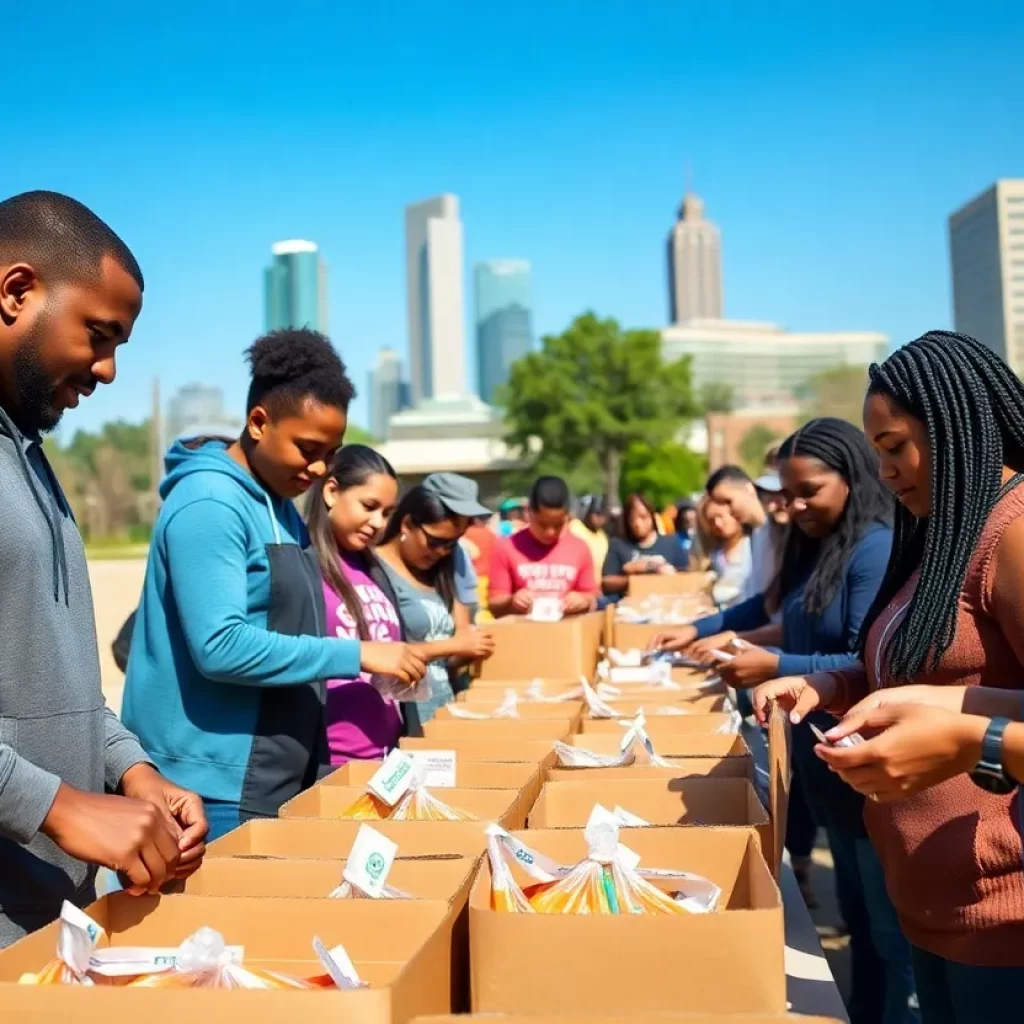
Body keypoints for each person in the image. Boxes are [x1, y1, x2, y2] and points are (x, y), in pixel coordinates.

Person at [754, 332, 1024, 1024]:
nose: (887, 469)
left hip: (1003, 921)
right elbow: (927, 664)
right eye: (877, 451)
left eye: (898, 446)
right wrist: (833, 685)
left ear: (961, 425)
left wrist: (975, 742)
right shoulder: (941, 531)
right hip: (933, 902)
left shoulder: (1013, 533)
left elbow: (965, 706)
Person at [655, 419, 916, 1024]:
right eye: (787, 492)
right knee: (858, 917)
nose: (795, 506)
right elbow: (768, 606)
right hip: (819, 764)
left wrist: (777, 664)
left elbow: (865, 658)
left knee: (887, 938)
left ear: (851, 480)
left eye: (810, 491)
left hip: (866, 766)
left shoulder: (872, 547)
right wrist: (699, 629)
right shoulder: (812, 544)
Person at [0, 191, 207, 947]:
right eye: (99, 334)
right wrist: (60, 807)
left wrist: (130, 771)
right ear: (16, 291)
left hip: (46, 915)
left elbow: (55, 683)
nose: (111, 369)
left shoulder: (31, 457)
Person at [122, 330, 425, 842]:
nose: (319, 468)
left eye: (330, 453)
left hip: (274, 775)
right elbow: (220, 646)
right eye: (307, 449)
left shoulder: (282, 506)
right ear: (259, 422)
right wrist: (358, 653)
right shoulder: (210, 501)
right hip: (209, 787)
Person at [305, 445, 410, 765]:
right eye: (369, 506)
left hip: (386, 757)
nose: (378, 522)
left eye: (387, 513)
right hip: (331, 761)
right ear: (332, 491)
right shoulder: (303, 565)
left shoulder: (372, 568)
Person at [376, 474, 497, 729]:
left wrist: (471, 649)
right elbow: (379, 656)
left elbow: (452, 655)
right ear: (407, 524)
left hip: (442, 712)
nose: (442, 552)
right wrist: (455, 645)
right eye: (436, 541)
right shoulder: (375, 571)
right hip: (403, 720)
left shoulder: (445, 569)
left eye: (452, 544)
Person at [489, 476, 600, 618]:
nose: (550, 532)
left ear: (567, 516)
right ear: (529, 512)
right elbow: (494, 604)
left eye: (558, 525)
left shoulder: (580, 548)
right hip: (522, 634)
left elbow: (594, 597)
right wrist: (512, 601)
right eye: (542, 524)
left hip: (566, 633)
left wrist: (584, 600)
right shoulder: (506, 547)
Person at [706, 465, 775, 601]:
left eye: (728, 501)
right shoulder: (757, 534)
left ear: (748, 489)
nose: (728, 511)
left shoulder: (780, 531)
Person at [602, 493, 689, 597]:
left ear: (652, 517)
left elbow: (686, 576)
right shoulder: (618, 545)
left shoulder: (671, 543)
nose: (637, 524)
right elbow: (606, 582)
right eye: (632, 519)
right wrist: (634, 580)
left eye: (643, 517)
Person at [703, 500, 753, 606]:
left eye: (721, 517)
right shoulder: (716, 554)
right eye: (712, 521)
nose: (717, 524)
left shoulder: (751, 546)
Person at [569, 494, 610, 583]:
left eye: (603, 515)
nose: (600, 518)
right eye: (596, 513)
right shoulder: (574, 528)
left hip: (596, 587)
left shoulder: (602, 537)